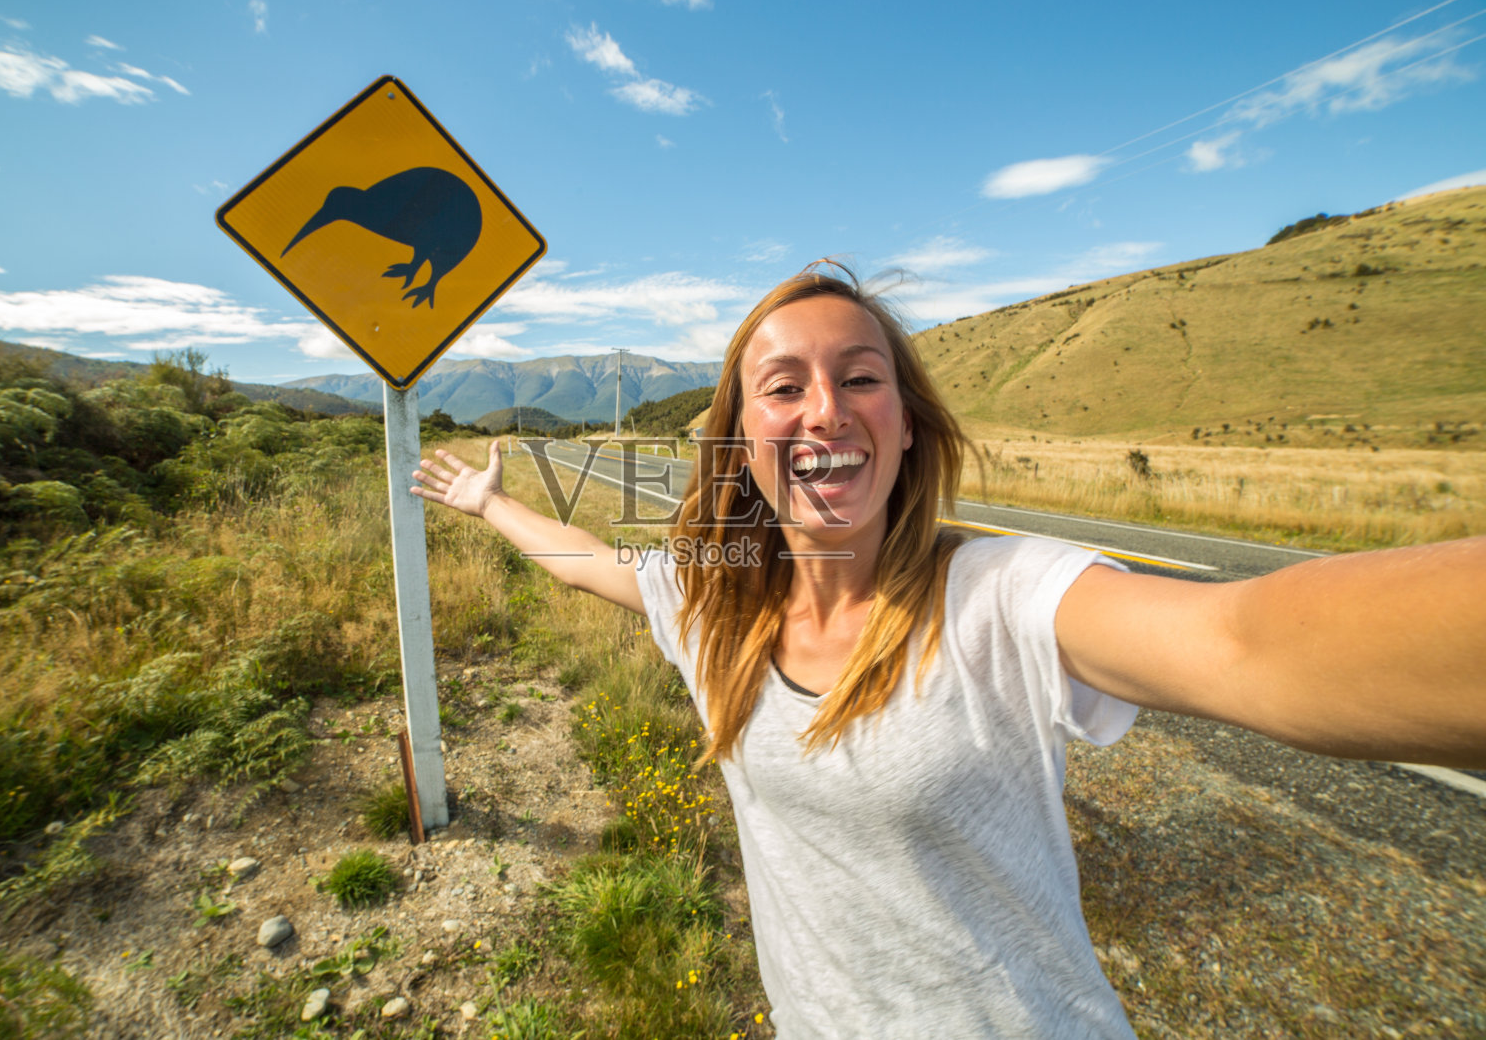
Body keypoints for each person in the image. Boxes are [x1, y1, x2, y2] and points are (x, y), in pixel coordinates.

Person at [411, 263, 1486, 1038]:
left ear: (909, 421)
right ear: (740, 435)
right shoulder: (713, 605)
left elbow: (1243, 638)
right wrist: (491, 504)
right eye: (783, 385)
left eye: (861, 376)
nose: (824, 406)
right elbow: (589, 561)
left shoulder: (1004, 596)